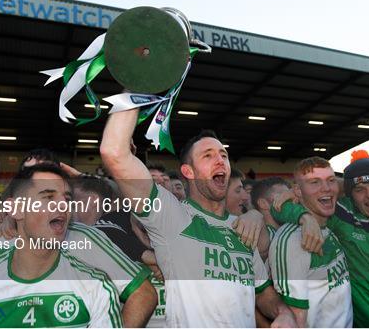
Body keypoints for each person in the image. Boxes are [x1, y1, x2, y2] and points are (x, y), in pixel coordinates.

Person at [100, 107, 295, 328]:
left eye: (224, 155)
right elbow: (113, 151)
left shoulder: (242, 228)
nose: (220, 160)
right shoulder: (172, 216)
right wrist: (138, 82)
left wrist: (283, 312)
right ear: (188, 172)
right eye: (208, 155)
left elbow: (262, 293)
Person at [0, 164, 123, 328]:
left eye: (67, 199)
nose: (63, 205)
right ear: (16, 210)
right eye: (48, 197)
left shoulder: (96, 286)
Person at [273, 158, 369, 327]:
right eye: (359, 190)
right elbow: (278, 208)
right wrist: (304, 216)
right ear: (350, 194)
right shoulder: (343, 215)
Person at [269, 157, 353, 328]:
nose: (326, 188)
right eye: (314, 182)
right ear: (298, 191)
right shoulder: (292, 240)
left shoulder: (329, 226)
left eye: (330, 181)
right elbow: (295, 319)